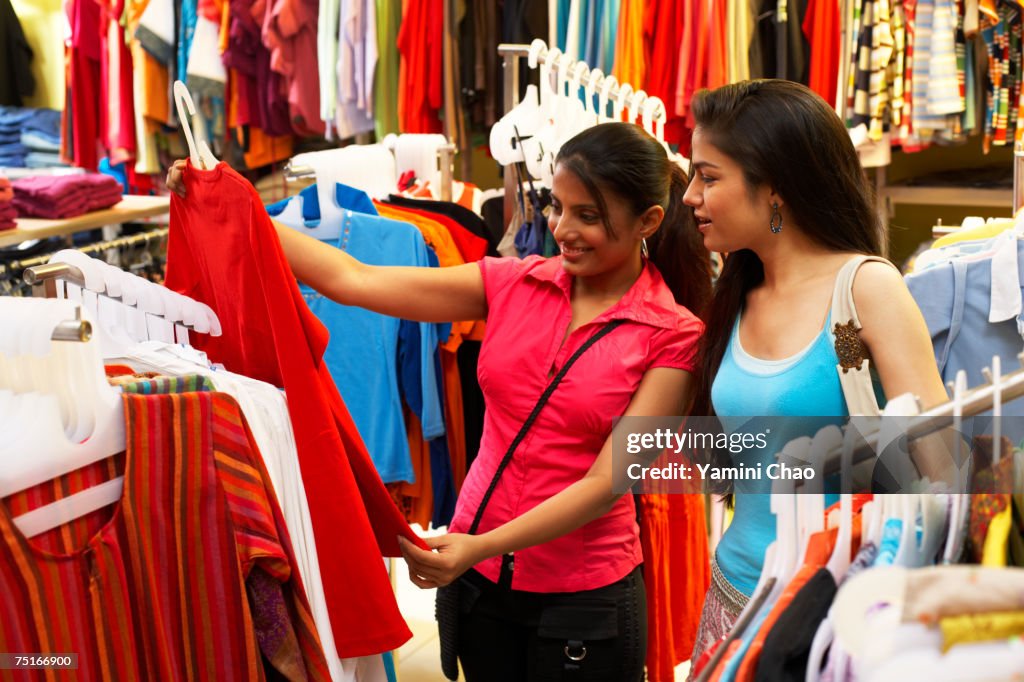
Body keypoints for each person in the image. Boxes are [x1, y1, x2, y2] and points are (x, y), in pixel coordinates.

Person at [167, 121, 712, 681]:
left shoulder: (675, 335)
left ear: (648, 221)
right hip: (476, 585)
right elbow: (353, 278)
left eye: (588, 216)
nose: (561, 229)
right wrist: (228, 201)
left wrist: (478, 547)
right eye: (557, 206)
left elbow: (606, 485)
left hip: (582, 598)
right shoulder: (512, 283)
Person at [681, 79, 950, 670]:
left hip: (834, 610)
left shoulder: (864, 291)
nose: (689, 196)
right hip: (732, 594)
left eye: (708, 176)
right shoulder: (736, 292)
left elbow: (944, 471)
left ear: (773, 184)